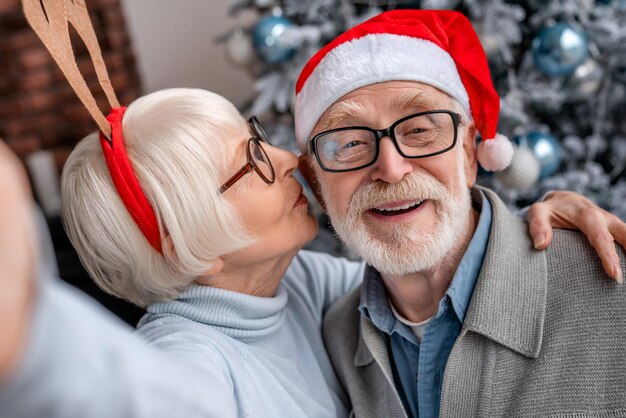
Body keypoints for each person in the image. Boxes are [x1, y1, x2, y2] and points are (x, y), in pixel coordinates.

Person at [1, 86, 625, 418]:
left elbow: (420, 268)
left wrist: (524, 227)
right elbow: (148, 400)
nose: (285, 160)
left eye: (257, 138)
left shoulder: (297, 287)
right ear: (193, 247)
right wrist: (33, 335)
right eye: (248, 166)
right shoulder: (192, 357)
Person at [293, 9, 626, 418]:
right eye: (349, 144)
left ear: (469, 152)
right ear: (318, 183)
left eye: (419, 130)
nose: (391, 169)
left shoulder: (612, 288)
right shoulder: (335, 338)